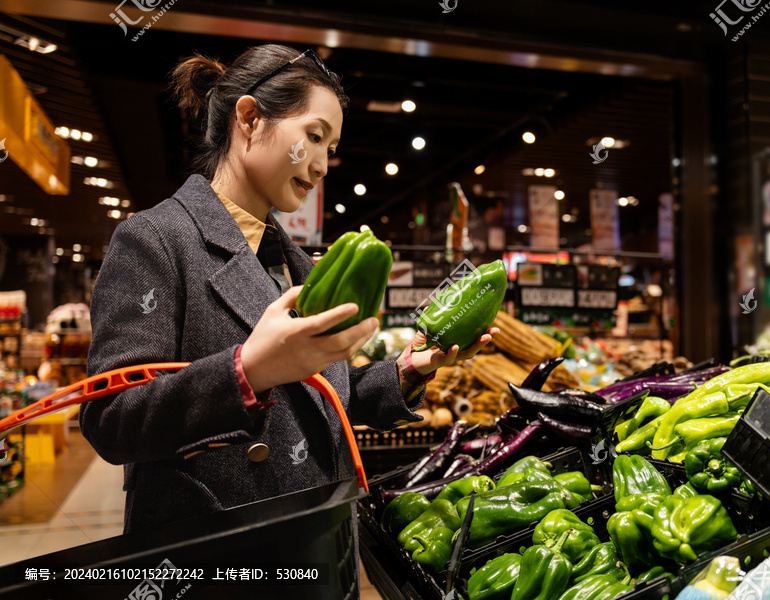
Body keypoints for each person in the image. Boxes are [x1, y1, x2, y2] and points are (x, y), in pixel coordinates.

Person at [81, 44, 497, 535]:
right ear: (250, 118)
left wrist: (406, 370)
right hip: (216, 554)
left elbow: (320, 396)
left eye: (332, 149)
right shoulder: (157, 239)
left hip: (317, 541)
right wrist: (248, 371)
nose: (322, 165)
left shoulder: (298, 262)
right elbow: (111, 419)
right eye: (314, 137)